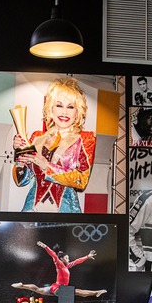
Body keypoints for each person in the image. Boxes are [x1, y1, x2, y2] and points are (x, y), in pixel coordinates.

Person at [12, 77, 96, 213]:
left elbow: (81, 181)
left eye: (70, 107)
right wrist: (20, 157)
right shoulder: (36, 138)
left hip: (65, 213)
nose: (64, 112)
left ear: (78, 112)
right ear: (50, 109)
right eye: (59, 105)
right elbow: (22, 181)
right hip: (33, 210)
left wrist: (47, 165)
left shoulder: (85, 139)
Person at [11, 241, 105, 297]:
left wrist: (87, 256)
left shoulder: (67, 266)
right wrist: (45, 247)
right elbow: (54, 255)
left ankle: (22, 285)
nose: (69, 260)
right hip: (59, 289)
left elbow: (77, 261)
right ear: (61, 259)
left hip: (56, 288)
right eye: (67, 258)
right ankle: (97, 292)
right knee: (78, 292)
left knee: (38, 289)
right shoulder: (59, 265)